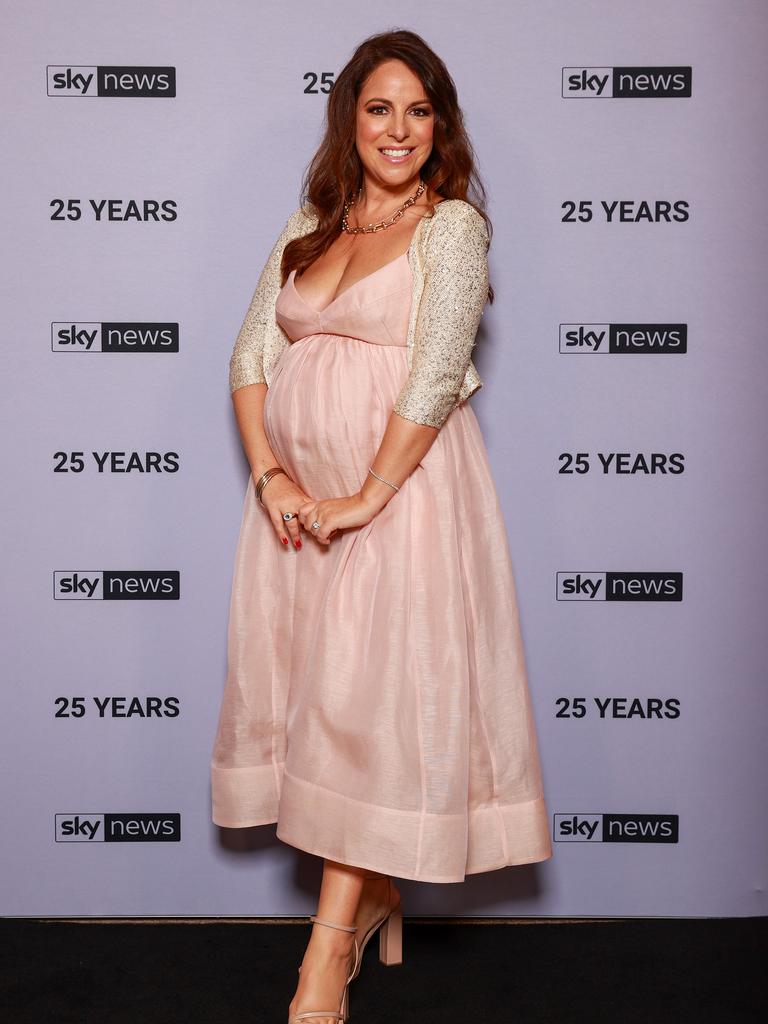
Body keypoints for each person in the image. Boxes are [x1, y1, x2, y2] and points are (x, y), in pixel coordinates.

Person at [210, 28, 552, 1024]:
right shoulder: (311, 222)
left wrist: (363, 496)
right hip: (294, 516)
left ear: (438, 124)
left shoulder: (451, 228)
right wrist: (274, 477)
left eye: (417, 109)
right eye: (377, 107)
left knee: (365, 716)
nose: (396, 128)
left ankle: (327, 951)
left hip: (399, 503)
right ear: (350, 119)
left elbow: (438, 371)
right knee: (318, 707)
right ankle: (377, 900)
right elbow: (247, 359)